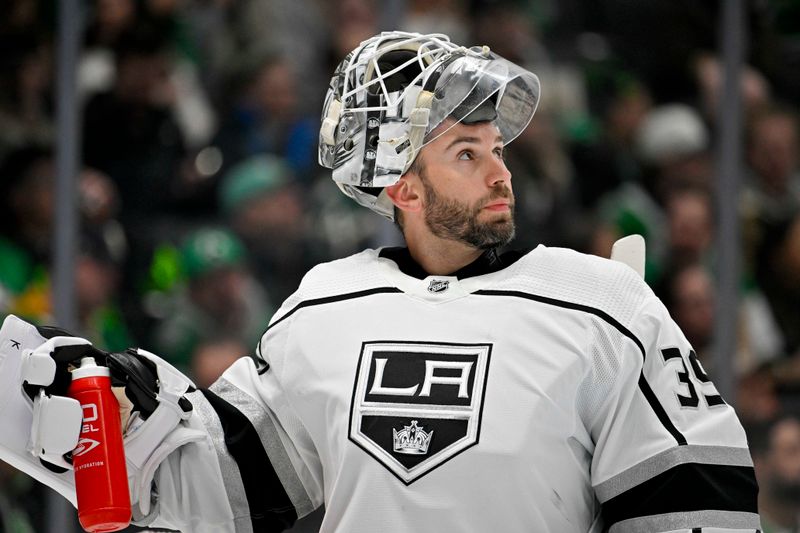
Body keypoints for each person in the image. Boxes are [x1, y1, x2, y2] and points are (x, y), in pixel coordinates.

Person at [0, 31, 759, 532]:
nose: (501, 171)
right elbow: (225, 490)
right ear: (402, 184)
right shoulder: (323, 306)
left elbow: (699, 503)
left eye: (496, 147)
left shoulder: (602, 301)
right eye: (467, 152)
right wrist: (131, 405)